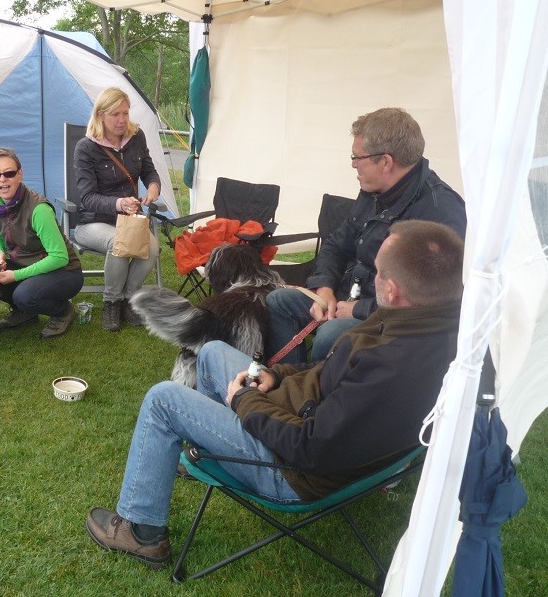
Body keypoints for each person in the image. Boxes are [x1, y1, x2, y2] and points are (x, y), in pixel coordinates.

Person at [86, 220, 464, 570]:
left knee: (164, 398)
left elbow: (309, 447)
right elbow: (329, 373)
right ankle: (207, 445)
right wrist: (274, 373)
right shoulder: (425, 325)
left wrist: (243, 402)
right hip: (300, 417)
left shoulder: (392, 366)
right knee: (215, 350)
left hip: (291, 472)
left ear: (393, 290)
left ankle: (142, 531)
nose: (371, 278)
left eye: (378, 273)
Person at [266, 107, 466, 363]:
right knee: (279, 302)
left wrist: (359, 310)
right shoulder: (375, 189)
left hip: (390, 321)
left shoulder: (441, 211)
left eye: (357, 157)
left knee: (331, 335)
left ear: (385, 161)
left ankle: (314, 396)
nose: (353, 164)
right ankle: (288, 383)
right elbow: (337, 243)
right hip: (345, 298)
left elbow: (433, 302)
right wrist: (324, 287)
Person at [74, 87, 161, 331]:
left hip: (130, 220)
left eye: (125, 113)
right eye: (115, 114)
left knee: (152, 249)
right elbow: (88, 198)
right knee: (119, 243)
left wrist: (153, 186)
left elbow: (149, 170)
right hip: (93, 222)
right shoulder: (85, 148)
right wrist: (119, 203)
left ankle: (128, 298)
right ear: (100, 115)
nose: (122, 120)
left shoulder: (137, 137)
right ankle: (111, 301)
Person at [0, 147, 84, 339]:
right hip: (25, 262)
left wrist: (16, 275)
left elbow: (59, 257)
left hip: (64, 271)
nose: (2, 179)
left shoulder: (39, 209)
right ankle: (26, 312)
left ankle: (63, 311)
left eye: (9, 173)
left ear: (20, 174)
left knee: (25, 295)